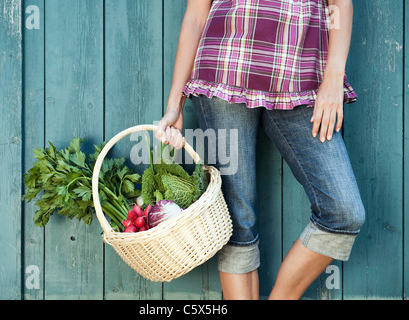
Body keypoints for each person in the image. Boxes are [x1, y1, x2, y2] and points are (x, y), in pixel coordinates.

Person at [154, 0, 365, 300]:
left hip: (302, 81)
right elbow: (195, 16)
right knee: (235, 225)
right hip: (224, 73)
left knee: (344, 212)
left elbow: (339, 4)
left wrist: (333, 77)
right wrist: (175, 103)